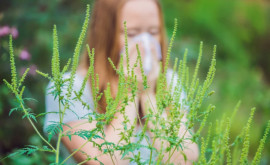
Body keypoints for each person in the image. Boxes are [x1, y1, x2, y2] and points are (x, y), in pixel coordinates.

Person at [44, 0, 199, 164]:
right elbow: (105, 161)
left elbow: (183, 159)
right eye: (131, 34)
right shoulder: (69, 88)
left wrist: (147, 94)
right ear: (105, 35)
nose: (144, 43)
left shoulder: (170, 81)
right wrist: (131, 92)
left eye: (153, 32)